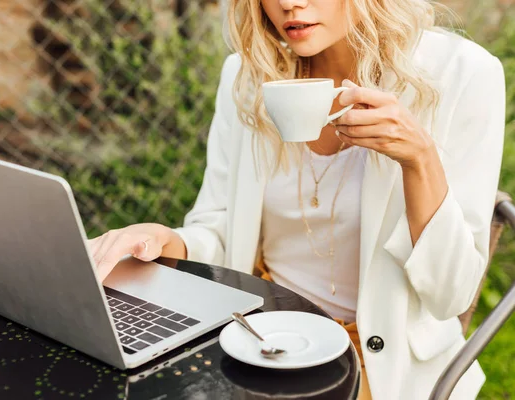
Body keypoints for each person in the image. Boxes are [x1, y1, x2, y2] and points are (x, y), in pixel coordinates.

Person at [88, 0, 506, 398]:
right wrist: (162, 240)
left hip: (379, 360)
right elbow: (218, 229)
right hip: (258, 336)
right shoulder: (250, 73)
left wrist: (419, 159)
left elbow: (451, 294)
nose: (290, 4)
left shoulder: (462, 74)